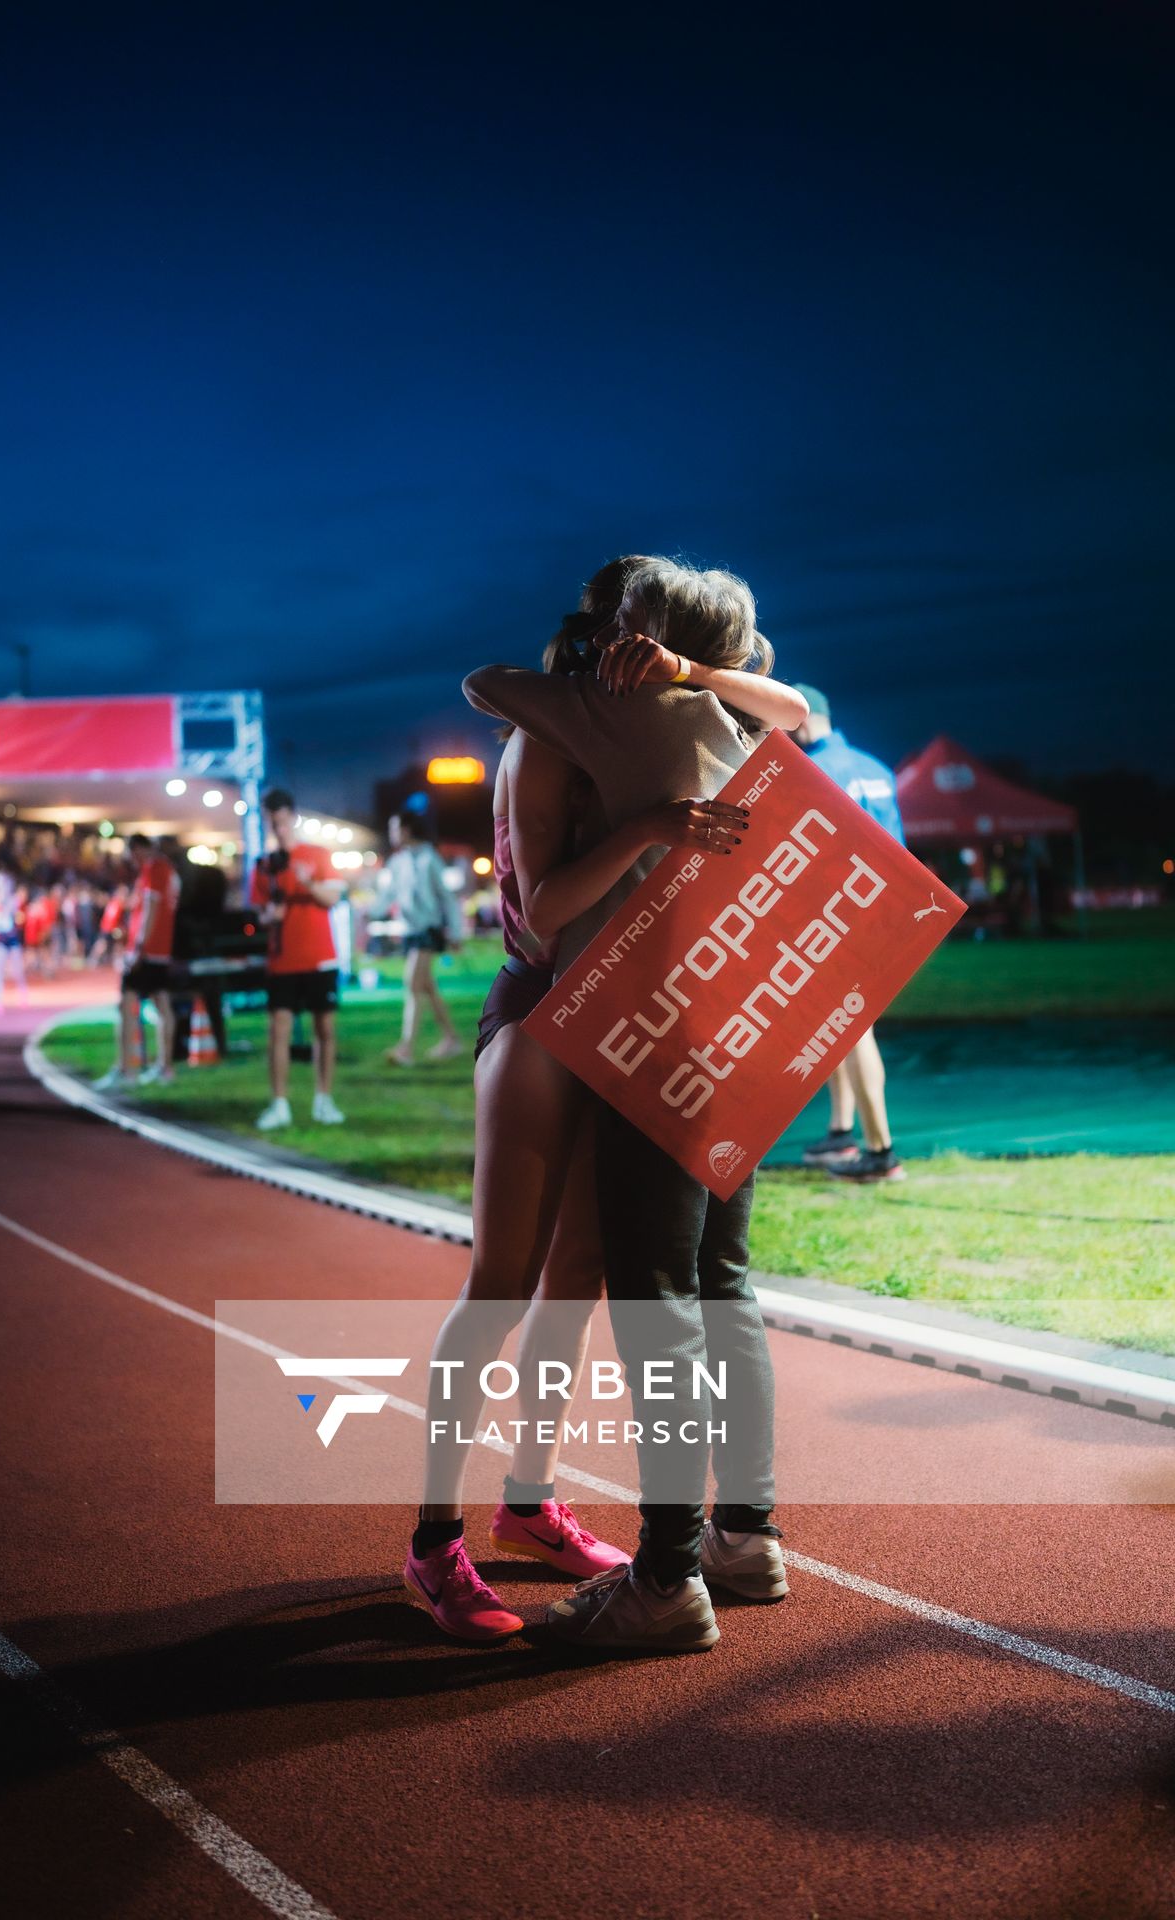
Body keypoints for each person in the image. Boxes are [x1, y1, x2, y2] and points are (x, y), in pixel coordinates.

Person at [403, 559, 807, 1650]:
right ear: (593, 647)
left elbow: (795, 712)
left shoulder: (675, 717)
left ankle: (529, 1503)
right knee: (501, 1281)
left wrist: (688, 679)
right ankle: (433, 1540)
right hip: (545, 1013)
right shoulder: (551, 737)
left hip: (634, 1015)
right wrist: (649, 831)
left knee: (581, 1283)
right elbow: (539, 920)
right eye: (615, 635)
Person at [791, 685, 906, 1183]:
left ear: (799, 719)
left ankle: (882, 1152)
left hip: (839, 914)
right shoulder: (876, 767)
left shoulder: (810, 771)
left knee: (850, 1027)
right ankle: (842, 1132)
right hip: (885, 912)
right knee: (837, 1028)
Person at [250, 788, 346, 1130]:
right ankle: (279, 1105)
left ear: (293, 817)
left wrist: (307, 883)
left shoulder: (317, 855)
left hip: (320, 956)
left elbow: (332, 898)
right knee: (278, 1031)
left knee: (325, 1029)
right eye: (271, 823)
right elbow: (260, 914)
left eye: (282, 821)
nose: (278, 829)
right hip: (282, 959)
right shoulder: (263, 866)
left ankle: (324, 1099)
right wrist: (269, 916)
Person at [94, 834, 179, 1090]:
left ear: (138, 850)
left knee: (126, 1005)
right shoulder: (169, 871)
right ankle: (164, 1067)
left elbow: (151, 909)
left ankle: (125, 1068)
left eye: (131, 854)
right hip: (161, 950)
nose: (131, 860)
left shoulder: (153, 869)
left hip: (147, 950)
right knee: (163, 1005)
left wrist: (139, 947)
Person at [382, 806, 465, 1067]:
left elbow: (447, 898)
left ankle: (406, 1048)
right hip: (410, 932)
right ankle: (452, 1038)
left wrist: (456, 931)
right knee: (427, 988)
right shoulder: (398, 861)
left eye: (394, 828)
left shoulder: (430, 859)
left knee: (412, 983)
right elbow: (388, 895)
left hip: (428, 931)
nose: (391, 834)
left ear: (406, 830)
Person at [0, 866, 29, 1012]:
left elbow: (15, 916)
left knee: (18, 970)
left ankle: (23, 996)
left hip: (12, 938)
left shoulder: (13, 900)